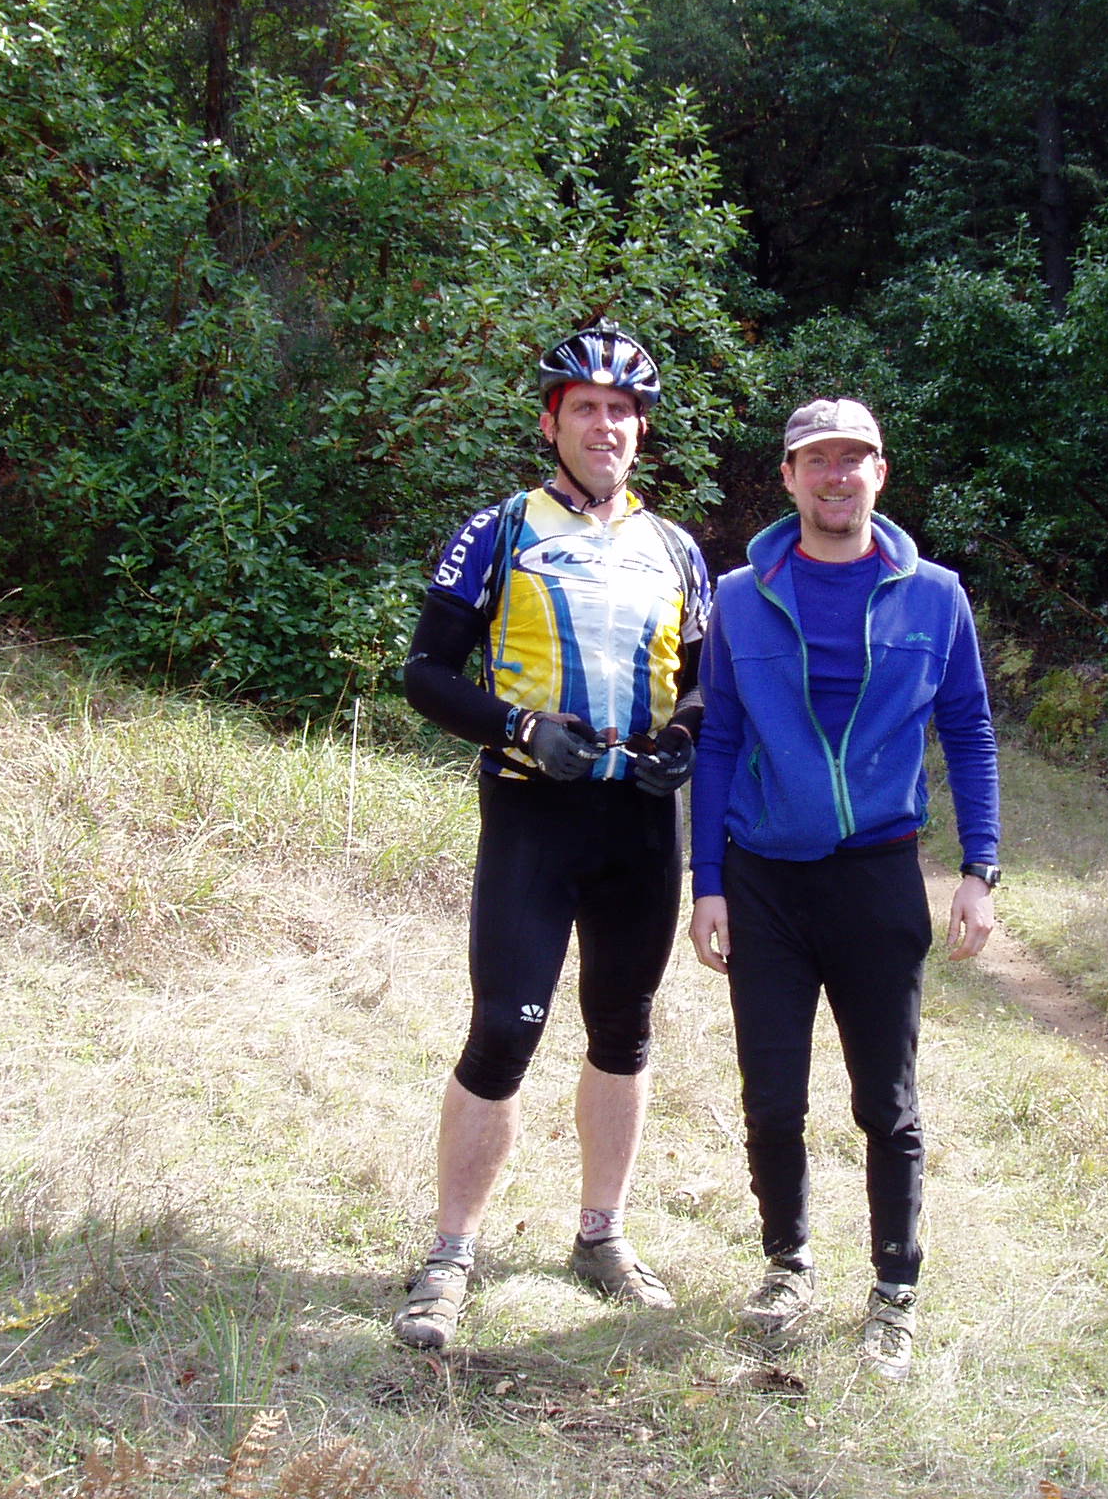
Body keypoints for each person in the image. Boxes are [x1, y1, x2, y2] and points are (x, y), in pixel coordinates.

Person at [393, 321, 710, 1351]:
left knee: (623, 1029)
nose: (605, 425)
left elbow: (704, 683)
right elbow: (425, 674)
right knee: (506, 1028)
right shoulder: (499, 529)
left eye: (622, 411)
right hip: (533, 812)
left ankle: (600, 1237)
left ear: (640, 431)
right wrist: (520, 728)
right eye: (586, 408)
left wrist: (685, 742)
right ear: (551, 422)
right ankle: (449, 1255)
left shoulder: (675, 549)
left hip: (636, 825)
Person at [687, 396, 1000, 1380]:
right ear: (786, 477)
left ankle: (893, 1290)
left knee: (885, 1102)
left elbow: (969, 733)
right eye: (812, 460)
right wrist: (707, 884)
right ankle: (786, 1264)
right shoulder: (739, 596)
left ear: (879, 473)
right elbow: (720, 739)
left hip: (874, 875)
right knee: (772, 1098)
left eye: (850, 459)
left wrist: (978, 870)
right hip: (764, 879)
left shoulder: (934, 595)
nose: (833, 477)